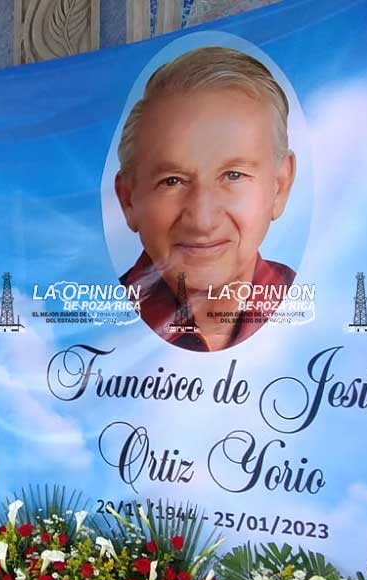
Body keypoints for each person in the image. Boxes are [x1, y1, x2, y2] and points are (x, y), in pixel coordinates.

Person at [115, 46, 297, 352]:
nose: (202, 221)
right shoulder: (93, 324)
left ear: (279, 186)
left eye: (234, 176)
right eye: (172, 181)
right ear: (129, 200)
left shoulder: (320, 305)